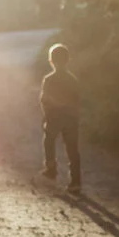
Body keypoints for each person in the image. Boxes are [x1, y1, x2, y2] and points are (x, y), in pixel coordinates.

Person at [39, 43, 82, 194]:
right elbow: (77, 100)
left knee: (48, 140)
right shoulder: (73, 79)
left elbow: (44, 99)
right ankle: (76, 181)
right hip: (70, 117)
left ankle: (51, 168)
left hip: (55, 117)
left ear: (51, 61)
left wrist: (46, 116)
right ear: (68, 60)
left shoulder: (49, 79)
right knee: (72, 150)